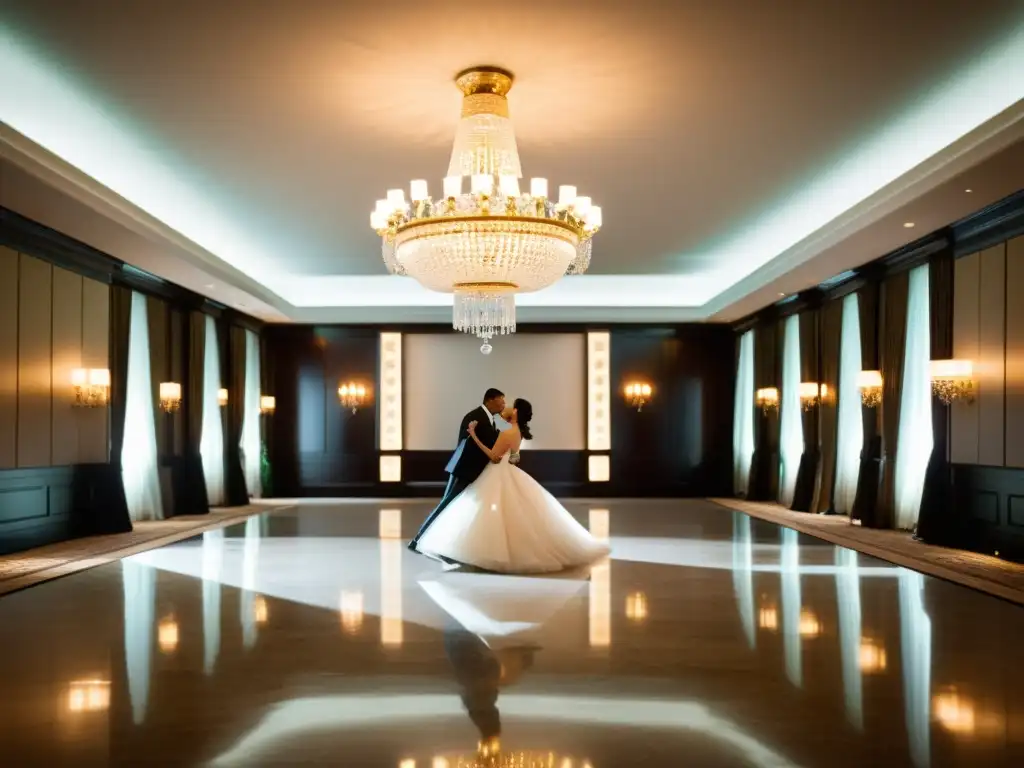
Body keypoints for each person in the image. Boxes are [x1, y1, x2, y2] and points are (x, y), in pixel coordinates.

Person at [415, 398, 611, 573]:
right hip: (508, 471)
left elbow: (493, 456)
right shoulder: (517, 432)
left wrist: (473, 435)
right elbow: (515, 457)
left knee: (483, 511)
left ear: (517, 413)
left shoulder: (508, 431)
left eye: (513, 408)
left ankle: (487, 553)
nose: (508, 408)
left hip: (495, 472)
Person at [408, 388, 506, 552]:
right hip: (465, 470)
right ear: (490, 400)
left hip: (474, 471)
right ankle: (417, 540)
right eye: (501, 400)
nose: (504, 404)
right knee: (446, 504)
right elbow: (472, 444)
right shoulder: (475, 416)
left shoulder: (489, 419)